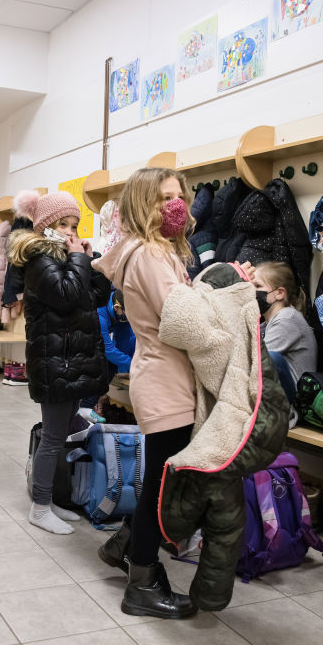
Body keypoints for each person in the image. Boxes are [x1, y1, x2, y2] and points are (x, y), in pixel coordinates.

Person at [92, 167, 201, 619]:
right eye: (163, 199)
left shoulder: (156, 251)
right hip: (166, 379)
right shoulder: (151, 257)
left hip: (164, 376)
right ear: (142, 204)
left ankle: (126, 544)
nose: (174, 206)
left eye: (178, 197)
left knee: (163, 479)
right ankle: (141, 580)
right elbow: (185, 320)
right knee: (164, 486)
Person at [8, 191, 110, 535]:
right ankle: (39, 507)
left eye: (74, 225)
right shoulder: (39, 259)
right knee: (52, 436)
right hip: (55, 361)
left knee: (65, 429)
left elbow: (91, 296)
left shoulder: (64, 258)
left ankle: (48, 499)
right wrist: (78, 260)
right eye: (63, 225)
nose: (71, 232)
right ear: (46, 227)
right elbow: (66, 296)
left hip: (69, 358)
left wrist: (89, 262)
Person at [253, 261, 317, 402]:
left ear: (280, 293)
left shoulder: (287, 319)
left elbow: (257, 364)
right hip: (279, 393)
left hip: (293, 402)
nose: (252, 292)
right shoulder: (269, 323)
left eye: (257, 286)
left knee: (268, 358)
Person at [98, 288, 136, 380]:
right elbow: (108, 350)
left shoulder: (122, 312)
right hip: (84, 336)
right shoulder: (100, 316)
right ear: (116, 307)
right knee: (101, 358)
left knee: (130, 340)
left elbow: (126, 342)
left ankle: (123, 372)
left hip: (115, 319)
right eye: (127, 314)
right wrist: (134, 365)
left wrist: (131, 368)